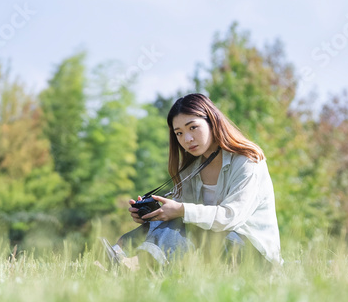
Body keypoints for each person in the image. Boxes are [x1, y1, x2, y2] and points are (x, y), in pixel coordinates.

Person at [106, 93, 282, 268]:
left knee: (187, 221)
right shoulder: (192, 168)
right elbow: (179, 217)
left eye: (193, 128)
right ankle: (113, 259)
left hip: (255, 254)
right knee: (167, 222)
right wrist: (152, 214)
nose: (187, 139)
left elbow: (230, 218)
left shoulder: (247, 161)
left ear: (212, 121)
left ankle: (137, 264)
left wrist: (180, 210)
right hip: (212, 241)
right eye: (179, 133)